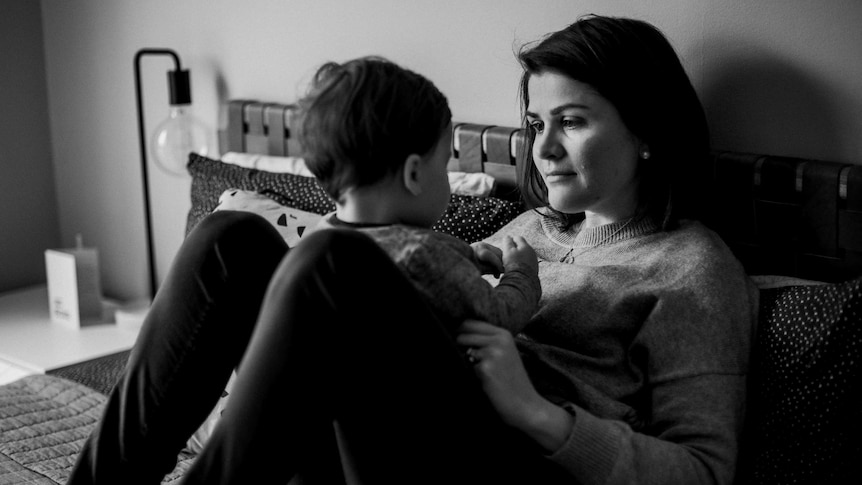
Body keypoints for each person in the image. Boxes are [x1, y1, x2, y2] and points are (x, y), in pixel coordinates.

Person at [67, 14, 757, 485]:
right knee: (231, 241)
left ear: (648, 132)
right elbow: (419, 297)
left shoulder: (693, 268)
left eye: (571, 122)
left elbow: (703, 470)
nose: (541, 150)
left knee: (334, 265)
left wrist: (541, 415)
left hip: (515, 462)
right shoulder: (525, 229)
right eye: (535, 123)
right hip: (391, 439)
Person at [300, 57, 540, 333]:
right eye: (443, 163)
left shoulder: (320, 238)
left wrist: (464, 261)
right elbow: (500, 316)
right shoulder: (422, 256)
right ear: (413, 174)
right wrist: (522, 273)